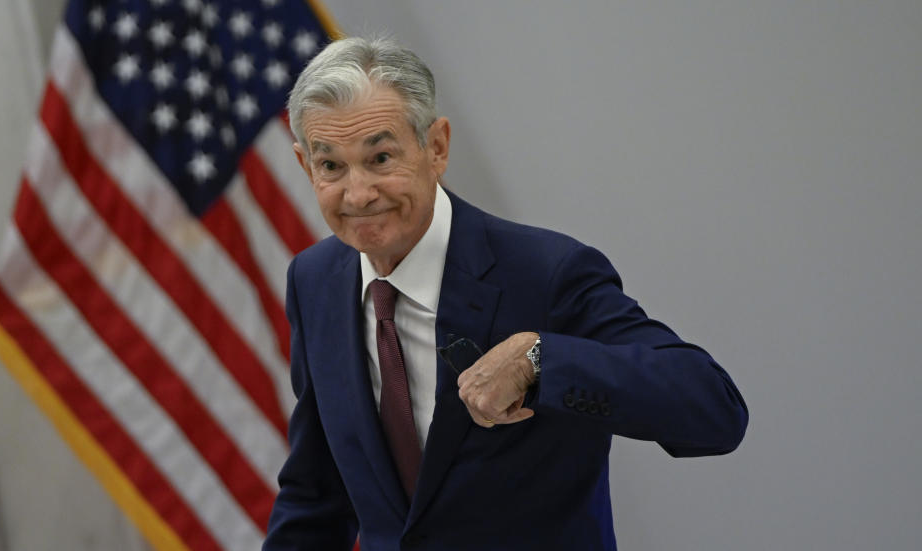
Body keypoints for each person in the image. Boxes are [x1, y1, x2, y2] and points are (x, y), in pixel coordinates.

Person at [263, 37, 748, 551]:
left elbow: (714, 410)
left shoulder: (546, 274)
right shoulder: (315, 281)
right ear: (304, 165)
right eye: (331, 166)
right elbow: (316, 494)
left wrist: (542, 359)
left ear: (437, 147)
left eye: (381, 157)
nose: (357, 194)